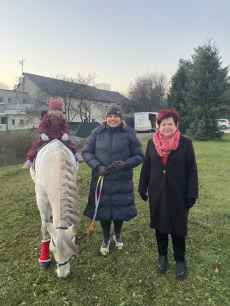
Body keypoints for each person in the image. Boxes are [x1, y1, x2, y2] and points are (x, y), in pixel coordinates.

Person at [138, 109, 198, 280]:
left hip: (179, 193)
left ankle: (180, 259)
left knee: (179, 226)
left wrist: (191, 194)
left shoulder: (185, 143)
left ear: (176, 125)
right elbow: (146, 168)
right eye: (163, 124)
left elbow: (192, 170)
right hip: (157, 192)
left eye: (170, 124)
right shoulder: (151, 143)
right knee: (160, 224)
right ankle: (162, 256)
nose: (166, 127)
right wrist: (142, 188)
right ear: (158, 126)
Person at [82, 103, 144, 255]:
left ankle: (117, 235)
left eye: (116, 116)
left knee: (119, 210)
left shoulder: (129, 133)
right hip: (101, 179)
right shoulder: (96, 133)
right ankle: (105, 238)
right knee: (103, 210)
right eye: (110, 116)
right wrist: (98, 167)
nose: (113, 119)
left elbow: (139, 155)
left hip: (121, 180)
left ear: (120, 118)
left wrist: (127, 164)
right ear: (106, 118)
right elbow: (87, 152)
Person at [22, 99, 84, 170]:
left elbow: (66, 127)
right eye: (55, 110)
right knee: (36, 145)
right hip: (47, 137)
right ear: (51, 110)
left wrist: (65, 134)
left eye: (59, 110)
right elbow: (41, 126)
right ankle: (29, 161)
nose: (57, 112)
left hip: (59, 137)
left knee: (69, 143)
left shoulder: (62, 119)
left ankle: (76, 155)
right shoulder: (46, 118)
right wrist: (43, 134)